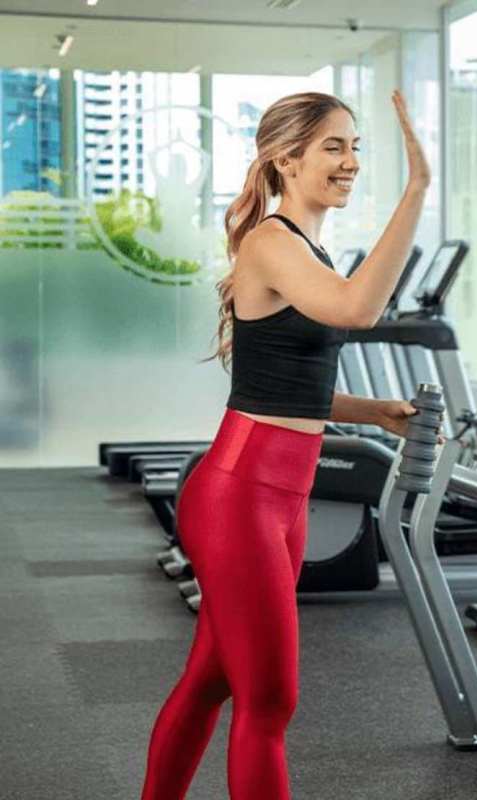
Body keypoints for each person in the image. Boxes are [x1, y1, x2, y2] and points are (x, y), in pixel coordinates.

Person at [140, 90, 429, 800]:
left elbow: (282, 386)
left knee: (211, 678)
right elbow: (360, 309)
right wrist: (418, 189)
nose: (351, 161)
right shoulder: (271, 242)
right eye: (334, 146)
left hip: (278, 494)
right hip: (240, 495)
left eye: (356, 146)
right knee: (270, 704)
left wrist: (372, 411)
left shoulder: (304, 247)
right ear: (284, 158)